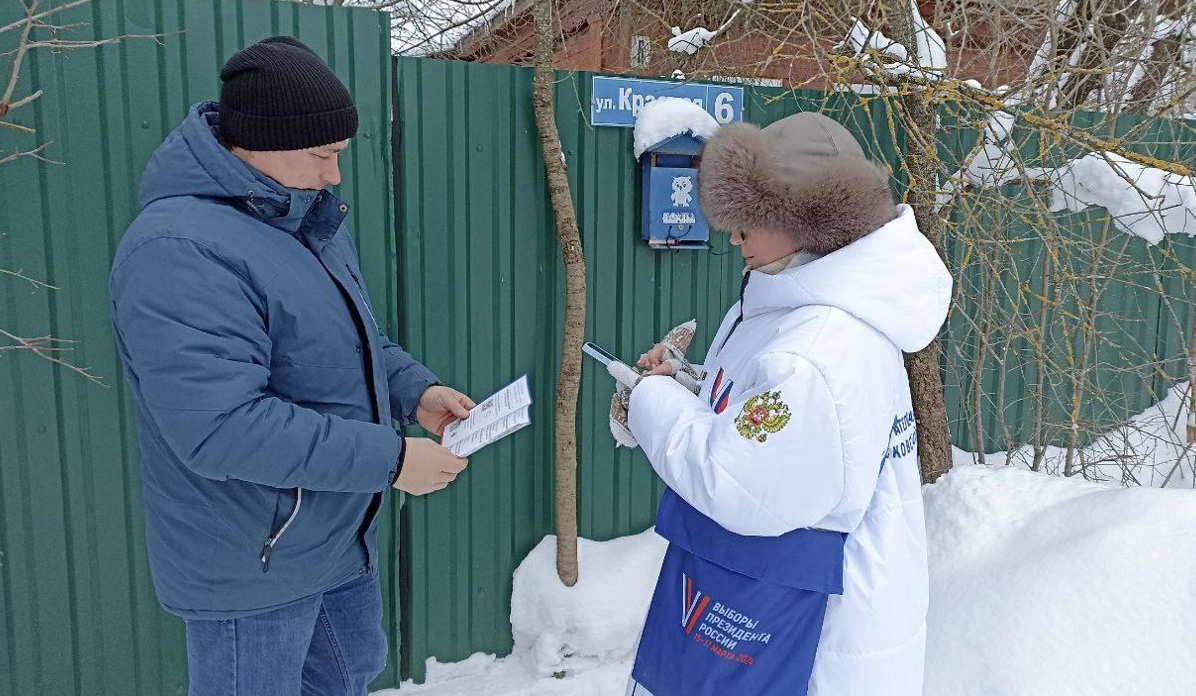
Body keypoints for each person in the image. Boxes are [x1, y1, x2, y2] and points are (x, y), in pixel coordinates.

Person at [109, 37, 472, 695]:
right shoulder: (178, 250)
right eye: (323, 155)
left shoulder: (301, 219)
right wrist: (392, 461)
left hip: (335, 542)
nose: (335, 175)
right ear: (261, 143)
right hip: (255, 563)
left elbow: (352, 347)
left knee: (347, 679)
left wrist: (416, 392)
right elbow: (221, 428)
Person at [622, 112, 951, 696]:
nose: (733, 236)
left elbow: (740, 480)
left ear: (808, 220)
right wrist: (690, 385)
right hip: (787, 618)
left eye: (749, 219)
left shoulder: (818, 349)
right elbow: (782, 427)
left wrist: (650, 401)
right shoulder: (799, 301)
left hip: (803, 647)